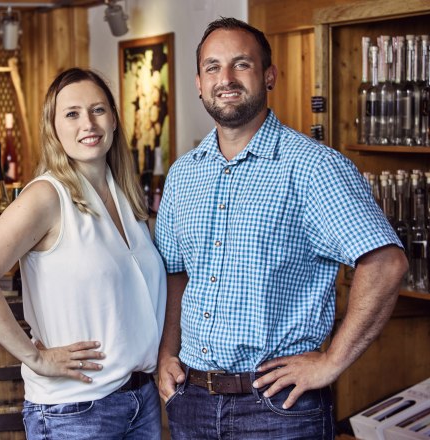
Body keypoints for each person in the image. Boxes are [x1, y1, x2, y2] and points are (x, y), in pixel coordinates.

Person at [154, 17, 408, 439]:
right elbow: (177, 273)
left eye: (241, 64)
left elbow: (386, 263)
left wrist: (331, 361)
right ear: (199, 83)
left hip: (278, 408)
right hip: (192, 400)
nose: (226, 78)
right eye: (213, 67)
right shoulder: (184, 174)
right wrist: (166, 354)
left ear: (269, 75)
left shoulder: (313, 167)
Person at [0, 68, 166, 439]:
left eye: (98, 110)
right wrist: (35, 357)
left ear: (114, 119)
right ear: (53, 129)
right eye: (72, 114)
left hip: (140, 401)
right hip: (76, 410)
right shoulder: (47, 196)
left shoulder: (125, 197)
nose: (89, 124)